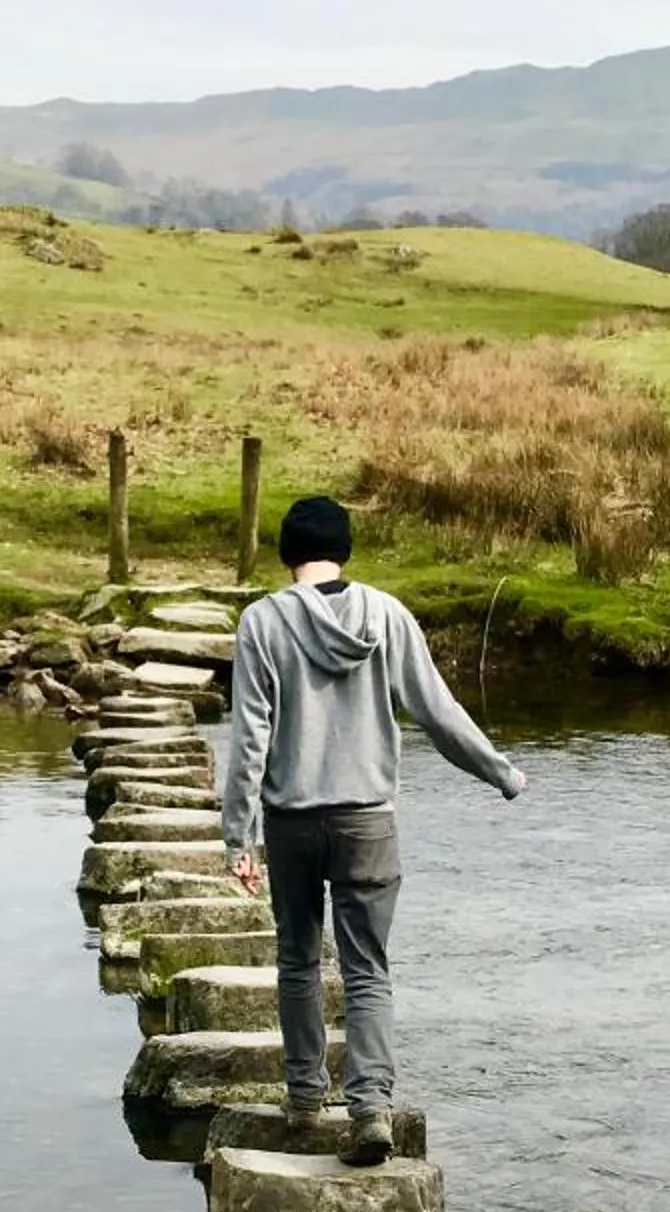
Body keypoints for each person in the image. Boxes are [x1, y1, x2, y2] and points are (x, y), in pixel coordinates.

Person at [222, 494, 527, 1166]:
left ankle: (305, 1098)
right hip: (367, 821)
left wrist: (239, 837)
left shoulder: (261, 622)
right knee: (367, 970)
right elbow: (438, 712)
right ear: (345, 550)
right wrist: (501, 771)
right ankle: (370, 1112)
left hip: (292, 822)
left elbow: (249, 739)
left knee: (298, 960)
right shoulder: (387, 615)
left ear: (286, 554)